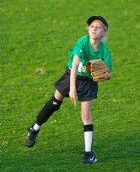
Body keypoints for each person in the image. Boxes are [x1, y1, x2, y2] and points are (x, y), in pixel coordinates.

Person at [26, 16, 112, 164]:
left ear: (104, 33)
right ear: (88, 29)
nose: (94, 29)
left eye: (98, 27)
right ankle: (34, 128)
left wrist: (104, 75)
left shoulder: (104, 51)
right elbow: (75, 65)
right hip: (71, 76)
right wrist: (72, 88)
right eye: (92, 26)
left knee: (86, 115)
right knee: (55, 103)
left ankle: (88, 153)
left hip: (88, 83)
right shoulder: (82, 42)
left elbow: (108, 73)